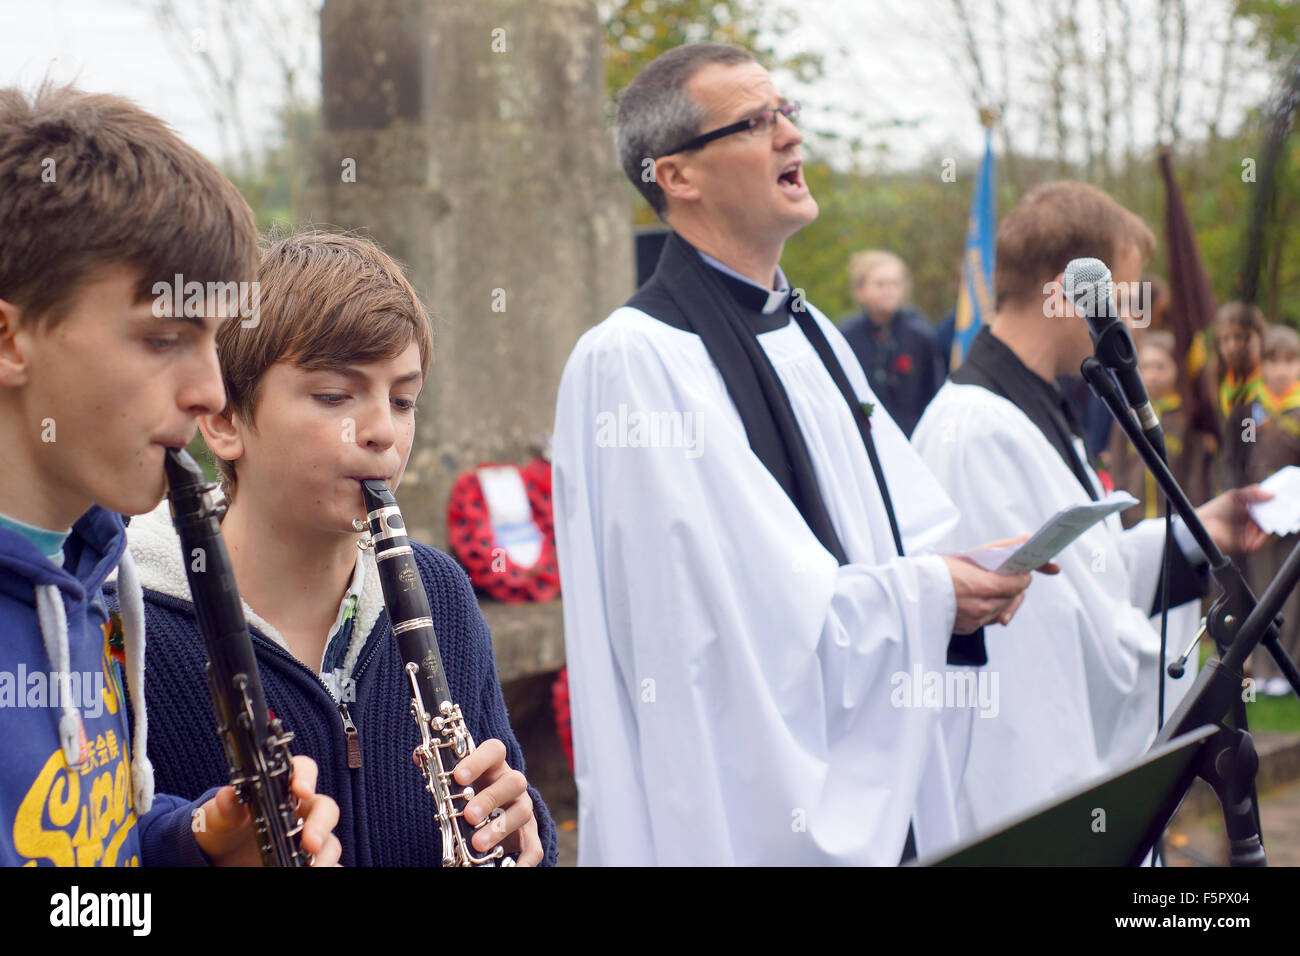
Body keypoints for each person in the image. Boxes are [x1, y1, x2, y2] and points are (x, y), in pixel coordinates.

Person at [552, 42, 1049, 866]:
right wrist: (929, 594)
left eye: (790, 113)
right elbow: (713, 631)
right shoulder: (634, 362)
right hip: (737, 809)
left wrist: (957, 572)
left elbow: (885, 540)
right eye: (757, 122)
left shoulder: (813, 331)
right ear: (676, 175)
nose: (791, 137)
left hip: (875, 760)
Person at [114, 231, 555, 866]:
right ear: (224, 421)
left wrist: (527, 833)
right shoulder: (125, 621)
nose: (382, 432)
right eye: (334, 396)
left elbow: (506, 804)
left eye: (403, 400)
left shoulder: (442, 593)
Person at [0, 83, 340, 866]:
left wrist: (195, 843)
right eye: (163, 339)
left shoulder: (89, 572)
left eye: (213, 341)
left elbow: (84, 848)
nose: (211, 392)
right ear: (12, 341)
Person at [912, 181, 1270, 838]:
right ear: (1066, 288)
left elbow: (1083, 577)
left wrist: (1198, 533)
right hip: (1028, 801)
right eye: (1124, 296)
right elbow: (1026, 662)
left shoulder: (1038, 407)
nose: (1132, 320)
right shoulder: (975, 431)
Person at [1104, 330, 1215, 527]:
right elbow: (1117, 469)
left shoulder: (1187, 419)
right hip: (1132, 521)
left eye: (1160, 367)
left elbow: (1196, 476)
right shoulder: (1127, 417)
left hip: (1175, 522)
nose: (1152, 375)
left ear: (1177, 368)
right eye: (1145, 367)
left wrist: (1194, 517)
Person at [1244, 324, 1300, 696]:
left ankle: (1287, 667)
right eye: (1272, 361)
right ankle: (1261, 667)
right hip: (1259, 518)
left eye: (1290, 361)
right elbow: (1237, 456)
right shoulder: (1251, 409)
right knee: (1260, 589)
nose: (1280, 370)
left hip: (1294, 519)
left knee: (1291, 593)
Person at [838, 250, 945, 436]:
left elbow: (934, 390)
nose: (889, 291)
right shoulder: (845, 337)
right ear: (860, 290)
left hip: (913, 436)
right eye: (880, 284)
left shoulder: (920, 335)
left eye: (895, 284)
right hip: (865, 435)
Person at [1215, 301, 1267, 489]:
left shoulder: (1270, 388)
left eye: (1240, 337)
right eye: (1225, 340)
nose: (1232, 346)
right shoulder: (1218, 388)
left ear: (1260, 338)